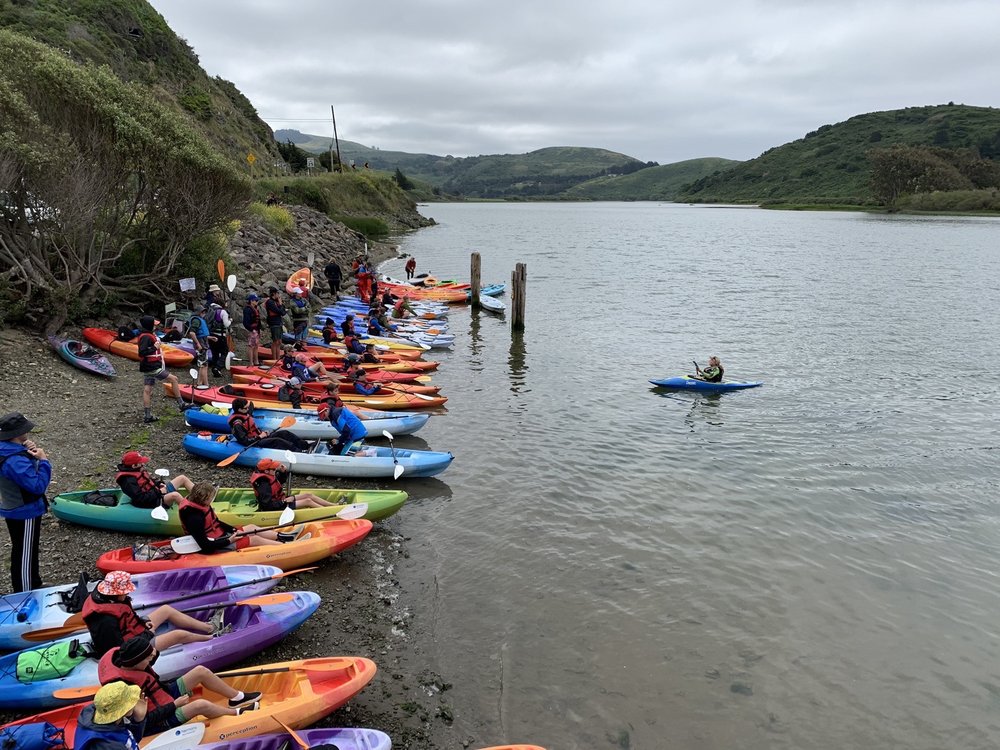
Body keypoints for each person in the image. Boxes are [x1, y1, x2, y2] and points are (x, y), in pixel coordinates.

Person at [97, 635, 260, 737]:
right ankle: (237, 713)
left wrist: (150, 651)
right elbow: (143, 721)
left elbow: (148, 660)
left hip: (164, 696)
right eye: (147, 659)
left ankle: (237, 698)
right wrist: (174, 705)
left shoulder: (128, 659)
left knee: (200, 671)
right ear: (136, 662)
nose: (151, 661)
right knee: (200, 705)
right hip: (158, 720)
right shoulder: (124, 688)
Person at [83, 570, 214, 658]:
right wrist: (148, 634)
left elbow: (128, 618)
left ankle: (209, 628)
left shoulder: (108, 598)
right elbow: (120, 650)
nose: (127, 593)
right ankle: (213, 638)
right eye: (125, 591)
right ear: (115, 593)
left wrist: (142, 622)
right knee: (179, 635)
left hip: (135, 632)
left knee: (166, 610)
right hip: (134, 647)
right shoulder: (105, 620)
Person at [0, 412, 50, 593]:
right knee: (25, 552)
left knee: (24, 549)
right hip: (25, 511)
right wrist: (44, 461)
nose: (28, 431)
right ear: (17, 433)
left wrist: (25, 450)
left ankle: (33, 583)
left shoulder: (8, 450)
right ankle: (25, 591)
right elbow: (37, 486)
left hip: (15, 508)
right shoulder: (15, 460)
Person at [178, 482, 290, 552]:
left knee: (251, 527)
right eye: (211, 497)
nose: (212, 499)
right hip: (213, 545)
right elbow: (205, 545)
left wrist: (233, 530)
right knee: (254, 539)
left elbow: (217, 522)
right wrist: (229, 540)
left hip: (220, 536)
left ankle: (283, 537)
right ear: (204, 499)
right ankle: (285, 548)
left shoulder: (201, 504)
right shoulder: (194, 518)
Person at [135, 316, 188, 422]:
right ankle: (181, 404)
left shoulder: (148, 335)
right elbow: (142, 352)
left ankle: (147, 416)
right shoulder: (146, 337)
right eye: (154, 325)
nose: (156, 326)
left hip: (148, 367)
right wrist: (155, 347)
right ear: (149, 325)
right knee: (174, 379)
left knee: (147, 390)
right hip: (152, 367)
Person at [72, 680, 148, 750]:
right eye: (130, 701)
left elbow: (128, 741)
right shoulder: (108, 746)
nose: (135, 701)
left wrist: (138, 720)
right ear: (122, 710)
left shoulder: (94, 720)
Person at [115, 451, 193, 510]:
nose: (143, 464)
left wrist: (159, 484)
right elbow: (140, 498)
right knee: (175, 495)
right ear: (134, 465)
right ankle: (192, 514)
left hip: (156, 493)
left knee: (182, 478)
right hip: (151, 502)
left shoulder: (136, 470)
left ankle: (200, 496)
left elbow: (149, 482)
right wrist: (159, 491)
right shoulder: (128, 481)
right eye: (140, 463)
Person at [250, 458, 333, 511]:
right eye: (274, 469)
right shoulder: (263, 484)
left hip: (280, 500)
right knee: (307, 501)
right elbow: (267, 505)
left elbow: (278, 482)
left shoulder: (268, 475)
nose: (276, 469)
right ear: (266, 471)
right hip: (275, 507)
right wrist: (283, 502)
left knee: (309, 495)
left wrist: (283, 472)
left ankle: (334, 506)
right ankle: (329, 512)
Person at [228, 398, 309, 452]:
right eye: (246, 408)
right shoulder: (237, 424)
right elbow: (245, 442)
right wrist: (260, 437)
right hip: (255, 443)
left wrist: (263, 433)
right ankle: (299, 452)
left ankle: (305, 445)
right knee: (277, 441)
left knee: (284, 433)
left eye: (247, 407)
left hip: (259, 436)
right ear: (239, 409)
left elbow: (251, 404)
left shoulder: (244, 412)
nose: (248, 409)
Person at [317, 387, 367, 456]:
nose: (324, 417)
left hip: (357, 436)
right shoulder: (332, 416)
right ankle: (359, 451)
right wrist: (339, 440)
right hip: (353, 436)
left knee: (345, 455)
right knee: (339, 448)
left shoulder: (336, 414)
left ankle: (369, 453)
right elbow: (345, 431)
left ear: (327, 410)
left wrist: (338, 440)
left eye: (324, 415)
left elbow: (346, 430)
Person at [184, 306, 211, 389]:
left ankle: (200, 383)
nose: (204, 313)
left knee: (203, 364)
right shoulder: (196, 320)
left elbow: (201, 333)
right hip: (201, 345)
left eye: (204, 312)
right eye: (202, 312)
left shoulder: (199, 320)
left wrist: (210, 338)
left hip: (203, 343)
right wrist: (198, 344)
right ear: (198, 312)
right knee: (203, 365)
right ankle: (205, 384)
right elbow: (192, 333)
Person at [206, 302, 231, 378]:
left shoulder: (210, 310)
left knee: (215, 353)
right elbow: (226, 324)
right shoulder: (223, 312)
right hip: (220, 336)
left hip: (211, 335)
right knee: (225, 352)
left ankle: (214, 368)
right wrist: (230, 321)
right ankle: (218, 367)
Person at [264, 287, 286, 362]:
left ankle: (278, 358)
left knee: (279, 341)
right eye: (277, 293)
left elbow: (283, 312)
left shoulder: (276, 302)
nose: (278, 295)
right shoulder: (270, 302)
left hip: (279, 322)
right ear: (274, 294)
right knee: (275, 341)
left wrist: (281, 305)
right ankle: (274, 359)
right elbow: (279, 311)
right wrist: (280, 305)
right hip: (274, 323)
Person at [242, 294, 261, 367]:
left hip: (256, 330)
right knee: (251, 346)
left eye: (257, 300)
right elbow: (246, 322)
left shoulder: (255, 308)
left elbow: (258, 321)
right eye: (256, 300)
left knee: (256, 345)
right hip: (251, 330)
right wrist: (251, 329)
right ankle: (251, 363)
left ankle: (256, 361)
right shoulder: (247, 310)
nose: (257, 301)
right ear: (251, 301)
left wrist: (258, 330)